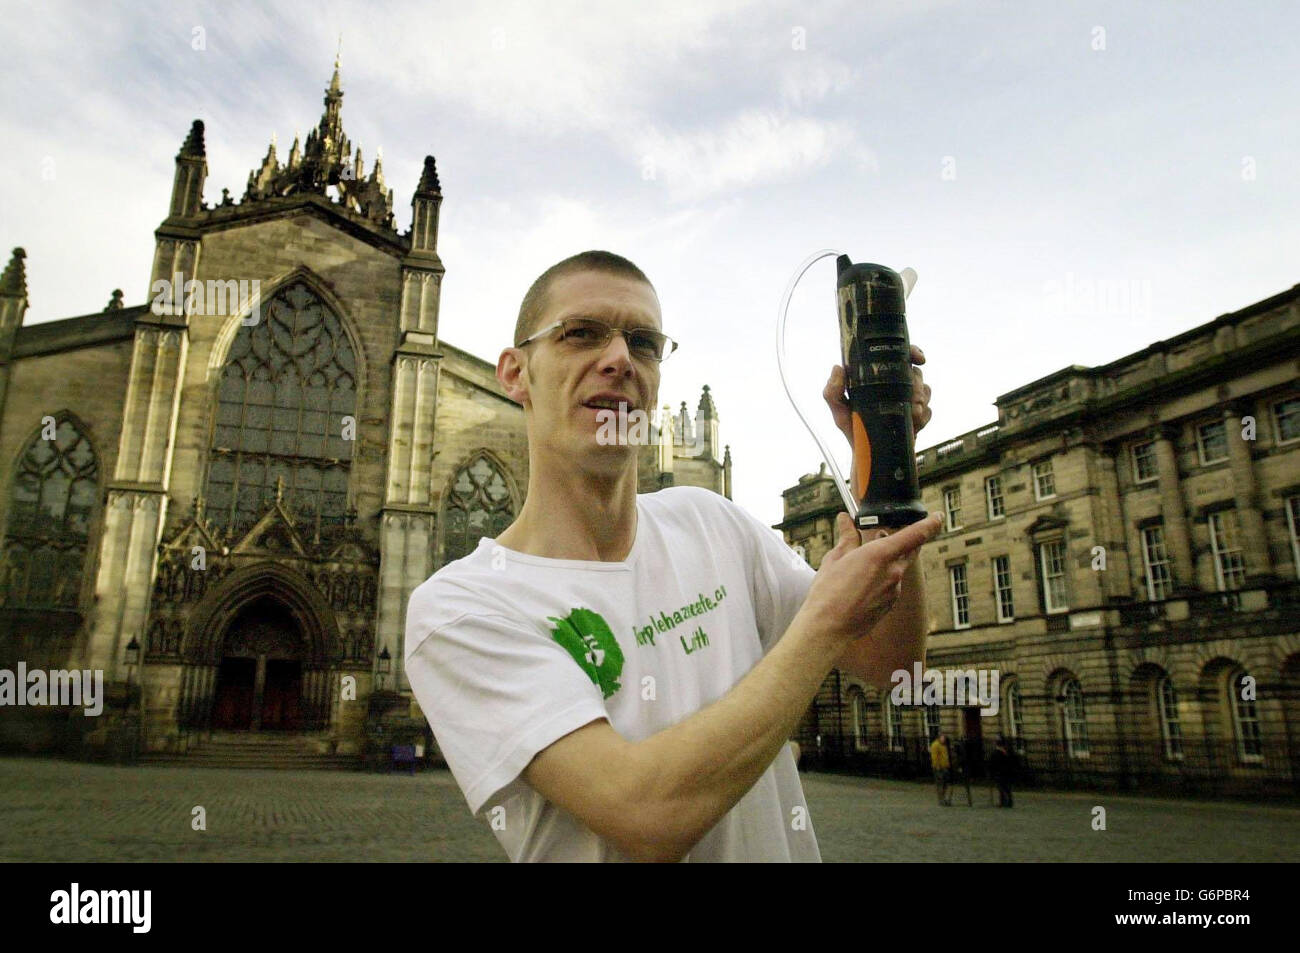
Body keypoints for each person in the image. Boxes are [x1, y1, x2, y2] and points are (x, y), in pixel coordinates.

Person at [403, 250, 942, 862]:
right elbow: (646, 815)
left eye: (644, 343)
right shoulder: (460, 608)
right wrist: (822, 623)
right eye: (580, 334)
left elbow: (894, 663)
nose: (618, 360)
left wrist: (887, 454)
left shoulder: (711, 521)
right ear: (515, 373)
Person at [989, 735, 1015, 808]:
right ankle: (1008, 801)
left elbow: (992, 764)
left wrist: (992, 772)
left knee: (1002, 788)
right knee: (1007, 788)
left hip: (1000, 773)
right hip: (1006, 772)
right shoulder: (1006, 752)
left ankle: (1004, 802)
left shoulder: (996, 753)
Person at [929, 732, 952, 806]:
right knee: (940, 784)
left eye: (944, 738)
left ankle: (944, 798)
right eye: (943, 738)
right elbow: (934, 757)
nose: (944, 739)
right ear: (939, 737)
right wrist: (937, 766)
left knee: (945, 784)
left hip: (945, 767)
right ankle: (941, 800)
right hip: (939, 768)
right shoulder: (935, 745)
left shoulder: (944, 745)